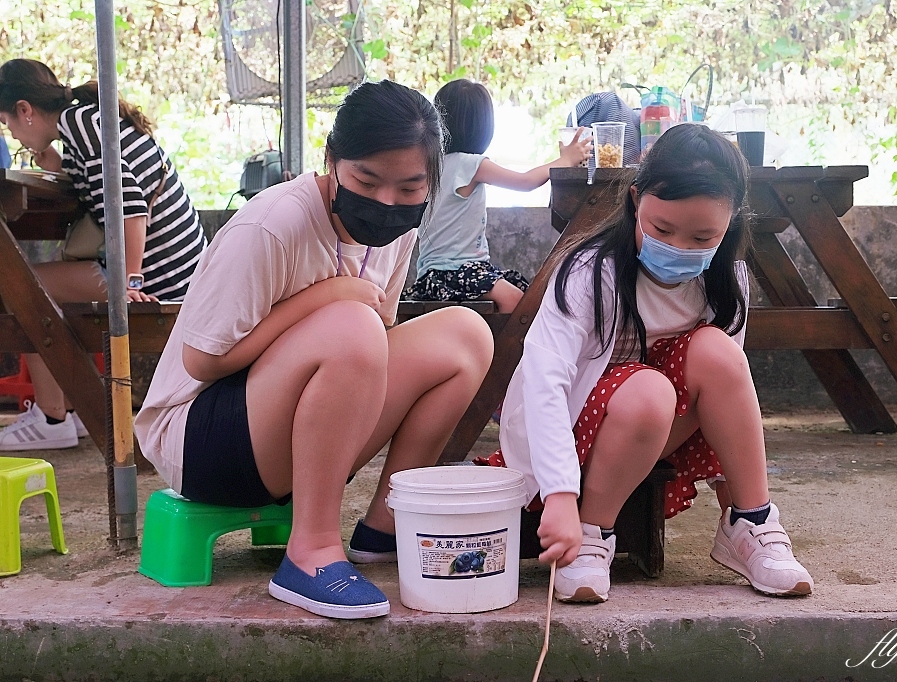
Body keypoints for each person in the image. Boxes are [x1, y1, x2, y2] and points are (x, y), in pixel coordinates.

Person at [135, 80, 494, 619]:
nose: (385, 202)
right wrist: (326, 297)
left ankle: (383, 528)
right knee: (353, 324)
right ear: (331, 162)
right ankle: (311, 554)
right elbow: (201, 361)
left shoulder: (398, 231)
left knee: (466, 336)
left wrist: (344, 312)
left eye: (409, 187)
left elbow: (377, 342)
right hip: (200, 440)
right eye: (366, 180)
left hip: (295, 426)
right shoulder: (273, 225)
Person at [478, 124, 813, 602]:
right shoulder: (589, 274)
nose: (679, 247)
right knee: (649, 389)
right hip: (573, 438)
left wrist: (730, 492)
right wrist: (557, 494)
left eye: (703, 236)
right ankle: (593, 534)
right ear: (636, 200)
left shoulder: (727, 282)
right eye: (662, 229)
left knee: (719, 354)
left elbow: (726, 396)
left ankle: (751, 524)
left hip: (660, 433)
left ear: (732, 221)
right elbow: (544, 383)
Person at [0, 58, 206, 451]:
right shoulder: (84, 124)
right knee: (28, 284)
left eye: (7, 122)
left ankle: (52, 416)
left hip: (167, 280)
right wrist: (54, 163)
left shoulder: (82, 128)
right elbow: (105, 194)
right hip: (182, 271)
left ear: (25, 110)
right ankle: (65, 410)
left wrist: (129, 283)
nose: (11, 133)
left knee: (22, 286)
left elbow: (130, 210)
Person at [404, 79, 590, 313]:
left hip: (432, 277)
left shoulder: (430, 166)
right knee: (517, 301)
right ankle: (500, 349)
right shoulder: (471, 164)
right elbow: (525, 182)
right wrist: (565, 161)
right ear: (483, 127)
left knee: (519, 290)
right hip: (455, 273)